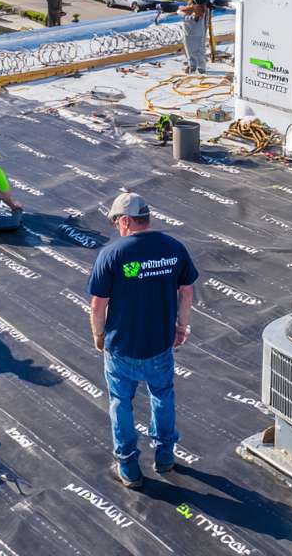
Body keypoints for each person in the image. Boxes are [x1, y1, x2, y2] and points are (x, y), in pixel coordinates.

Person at [87, 192, 196, 489]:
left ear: (125, 221)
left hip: (121, 347)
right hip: (160, 344)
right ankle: (164, 457)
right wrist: (181, 327)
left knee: (121, 402)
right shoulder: (174, 248)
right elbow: (187, 291)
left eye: (115, 223)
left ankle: (129, 468)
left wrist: (99, 335)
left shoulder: (112, 255)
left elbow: (98, 304)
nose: (116, 230)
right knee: (162, 395)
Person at [177, 0, 210, 74]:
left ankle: (193, 67)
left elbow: (198, 10)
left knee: (191, 46)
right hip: (199, 24)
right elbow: (196, 6)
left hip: (194, 24)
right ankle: (201, 68)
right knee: (199, 46)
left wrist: (182, 10)